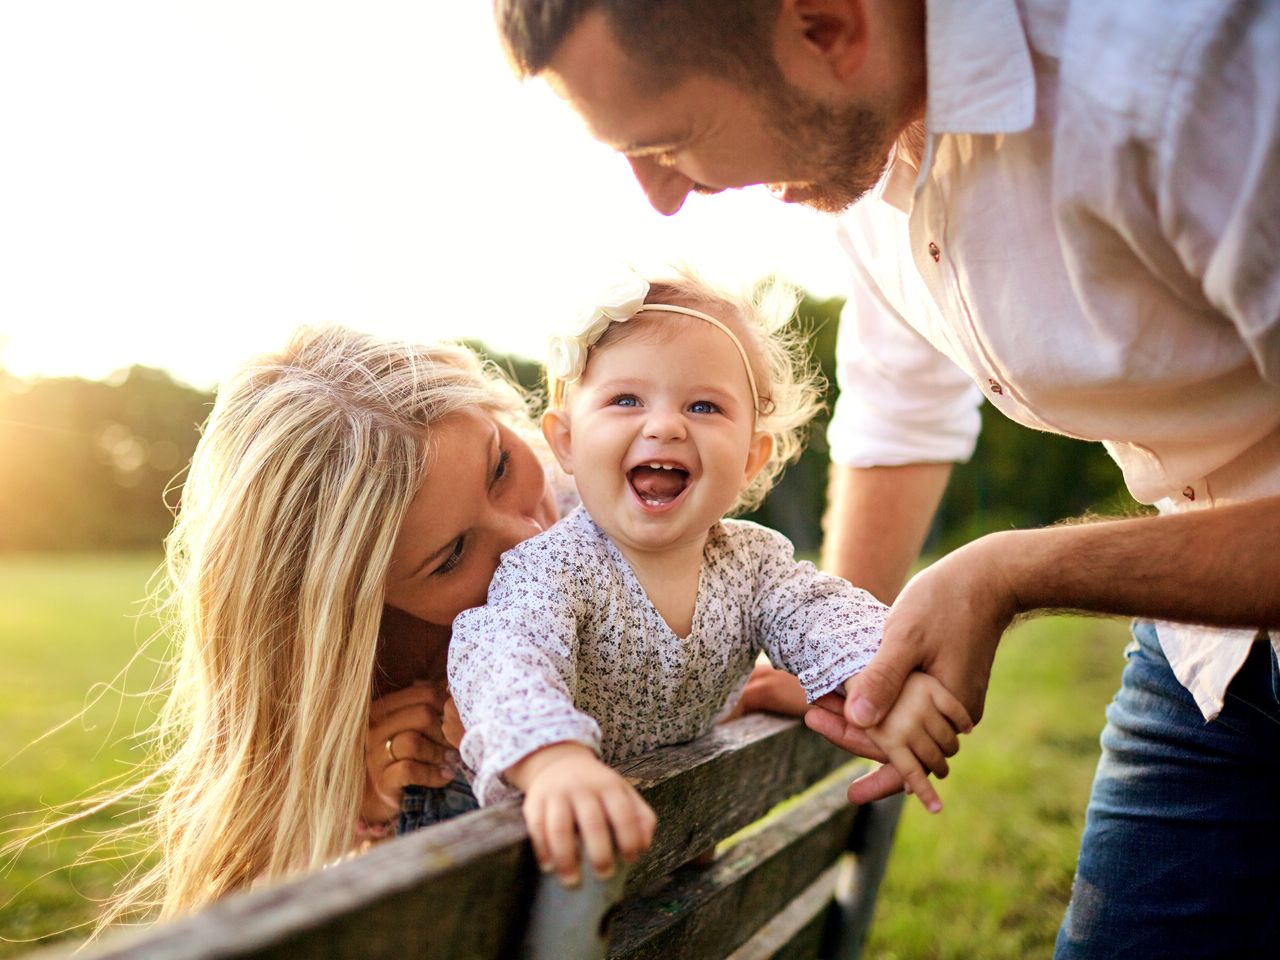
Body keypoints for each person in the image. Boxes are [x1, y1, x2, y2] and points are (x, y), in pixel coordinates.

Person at [491, 1, 1280, 956]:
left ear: (827, 28)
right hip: (1211, 655)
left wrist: (1009, 570)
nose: (660, 197)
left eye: (672, 140)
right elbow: (898, 413)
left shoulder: (1196, 80)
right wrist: (849, 669)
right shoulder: (864, 169)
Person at [46, 324, 808, 932]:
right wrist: (371, 808)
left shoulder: (609, 522)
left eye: (502, 465)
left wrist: (702, 691)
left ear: (513, 421)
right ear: (358, 612)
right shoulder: (372, 711)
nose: (524, 533)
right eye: (451, 556)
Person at [447, 269, 972, 888]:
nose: (666, 426)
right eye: (625, 400)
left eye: (703, 406)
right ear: (564, 442)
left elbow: (823, 612)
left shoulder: (753, 566)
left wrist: (878, 677)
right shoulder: (553, 569)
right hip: (547, 864)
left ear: (751, 457)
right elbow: (503, 657)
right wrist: (553, 760)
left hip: (666, 856)